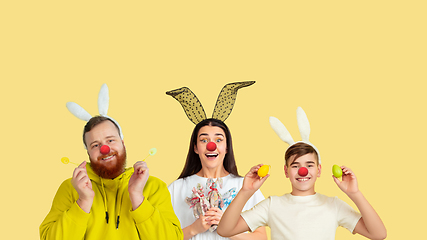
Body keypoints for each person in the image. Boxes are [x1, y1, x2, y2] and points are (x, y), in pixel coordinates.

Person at [217, 108, 387, 240]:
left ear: (319, 170)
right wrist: (246, 191)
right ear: (286, 171)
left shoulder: (333, 205)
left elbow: (378, 234)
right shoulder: (271, 205)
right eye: (295, 165)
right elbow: (225, 230)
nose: (302, 171)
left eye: (309, 165)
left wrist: (355, 194)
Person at [40, 84, 183, 240]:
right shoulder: (70, 188)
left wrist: (137, 197)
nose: (105, 149)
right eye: (95, 145)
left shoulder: (153, 187)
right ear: (88, 152)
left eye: (110, 140)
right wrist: (83, 201)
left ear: (123, 143)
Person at [166, 81, 267, 240]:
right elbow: (161, 237)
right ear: (195, 148)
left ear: (227, 148)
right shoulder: (176, 189)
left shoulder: (245, 186)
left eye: (218, 140)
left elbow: (261, 238)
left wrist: (227, 227)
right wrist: (193, 229)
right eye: (204, 140)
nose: (211, 146)